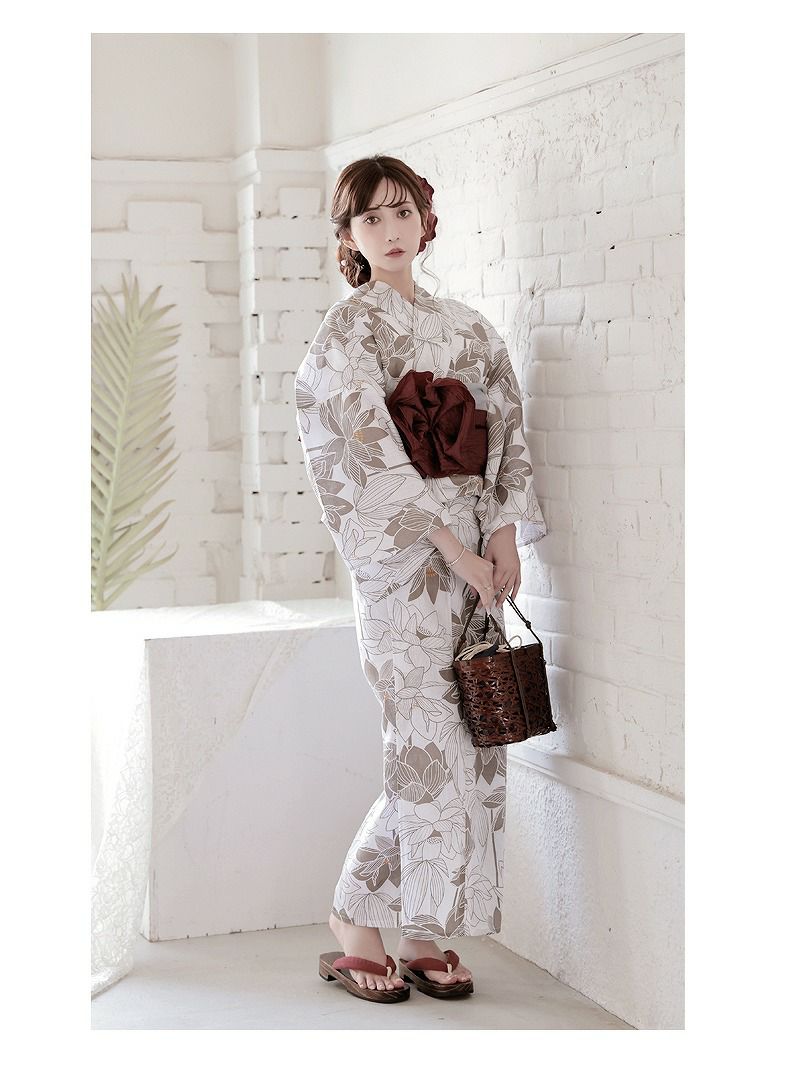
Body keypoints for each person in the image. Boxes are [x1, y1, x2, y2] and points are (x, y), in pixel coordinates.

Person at [295, 155, 547, 1003]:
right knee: (425, 746)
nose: (391, 230)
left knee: (471, 745)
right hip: (405, 570)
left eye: (403, 212)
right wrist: (454, 549)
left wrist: (503, 537)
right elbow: (365, 455)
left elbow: (506, 432)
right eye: (371, 219)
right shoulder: (346, 335)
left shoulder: (471, 331)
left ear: (426, 220)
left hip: (476, 561)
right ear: (349, 236)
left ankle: (420, 931)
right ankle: (352, 917)